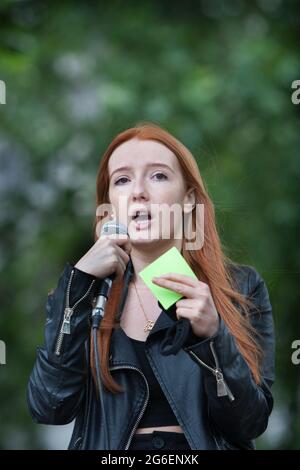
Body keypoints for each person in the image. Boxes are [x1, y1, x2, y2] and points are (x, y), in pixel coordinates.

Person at [27, 122, 275, 450]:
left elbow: (250, 422)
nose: (138, 191)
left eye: (158, 175)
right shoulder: (85, 294)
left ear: (188, 200)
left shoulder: (240, 288)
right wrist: (79, 285)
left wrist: (214, 337)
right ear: (110, 206)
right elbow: (50, 407)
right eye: (122, 180)